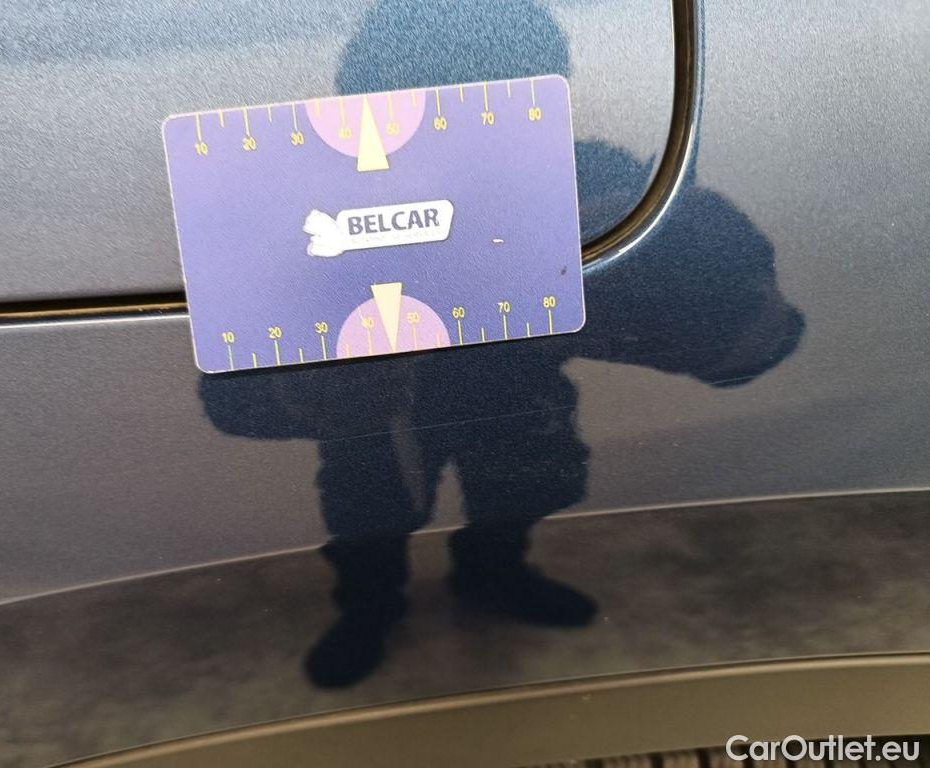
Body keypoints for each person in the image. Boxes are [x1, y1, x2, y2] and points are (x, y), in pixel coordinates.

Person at [200, 0, 805, 688]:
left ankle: (494, 576)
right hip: (378, 408)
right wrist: (310, 376)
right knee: (369, 518)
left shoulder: (583, 177)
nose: (457, 136)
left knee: (516, 491)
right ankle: (368, 608)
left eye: (493, 105)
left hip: (509, 387)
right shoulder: (307, 198)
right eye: (426, 108)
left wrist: (665, 247)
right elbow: (230, 397)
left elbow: (741, 331)